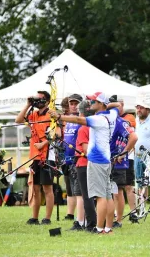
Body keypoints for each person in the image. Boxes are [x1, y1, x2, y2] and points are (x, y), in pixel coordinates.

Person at [49, 92, 120, 234]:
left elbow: (78, 119)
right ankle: (108, 227)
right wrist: (106, 104)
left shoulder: (98, 119)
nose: (90, 103)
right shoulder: (111, 115)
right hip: (106, 160)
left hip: (96, 161)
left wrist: (59, 116)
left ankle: (99, 229)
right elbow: (117, 105)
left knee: (100, 196)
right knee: (107, 195)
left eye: (93, 101)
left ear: (101, 104)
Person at [16, 91, 55, 225]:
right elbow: (18, 120)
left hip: (47, 156)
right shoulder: (33, 114)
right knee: (36, 188)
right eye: (36, 99)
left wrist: (43, 143)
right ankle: (35, 217)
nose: (37, 101)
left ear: (47, 100)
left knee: (47, 188)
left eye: (40, 99)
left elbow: (57, 133)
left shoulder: (51, 114)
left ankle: (47, 218)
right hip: (35, 157)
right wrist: (28, 105)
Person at [111, 96, 138, 224]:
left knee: (120, 189)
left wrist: (123, 153)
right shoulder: (107, 120)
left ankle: (121, 218)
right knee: (111, 191)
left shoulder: (125, 120)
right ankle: (111, 217)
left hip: (121, 160)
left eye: (118, 105)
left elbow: (133, 137)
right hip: (108, 160)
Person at [62, 94, 85, 230]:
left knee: (79, 192)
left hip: (79, 160)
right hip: (68, 160)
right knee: (73, 191)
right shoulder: (69, 122)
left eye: (76, 103)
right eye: (71, 103)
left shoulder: (81, 120)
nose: (74, 105)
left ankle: (80, 221)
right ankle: (78, 218)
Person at [75, 100, 96, 232]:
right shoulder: (97, 125)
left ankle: (91, 224)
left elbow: (86, 150)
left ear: (81, 113)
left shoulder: (83, 129)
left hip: (84, 165)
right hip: (98, 164)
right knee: (98, 195)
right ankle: (100, 222)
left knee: (87, 196)